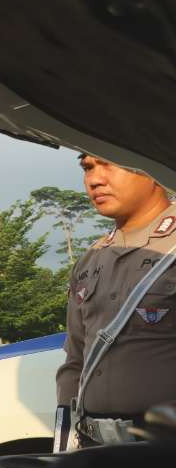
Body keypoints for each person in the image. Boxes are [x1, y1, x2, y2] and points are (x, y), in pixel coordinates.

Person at [55, 154, 176, 450]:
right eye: (87, 168)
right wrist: (63, 446)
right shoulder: (90, 259)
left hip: (164, 450)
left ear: (151, 168)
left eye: (109, 163)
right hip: (95, 446)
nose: (94, 179)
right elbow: (75, 360)